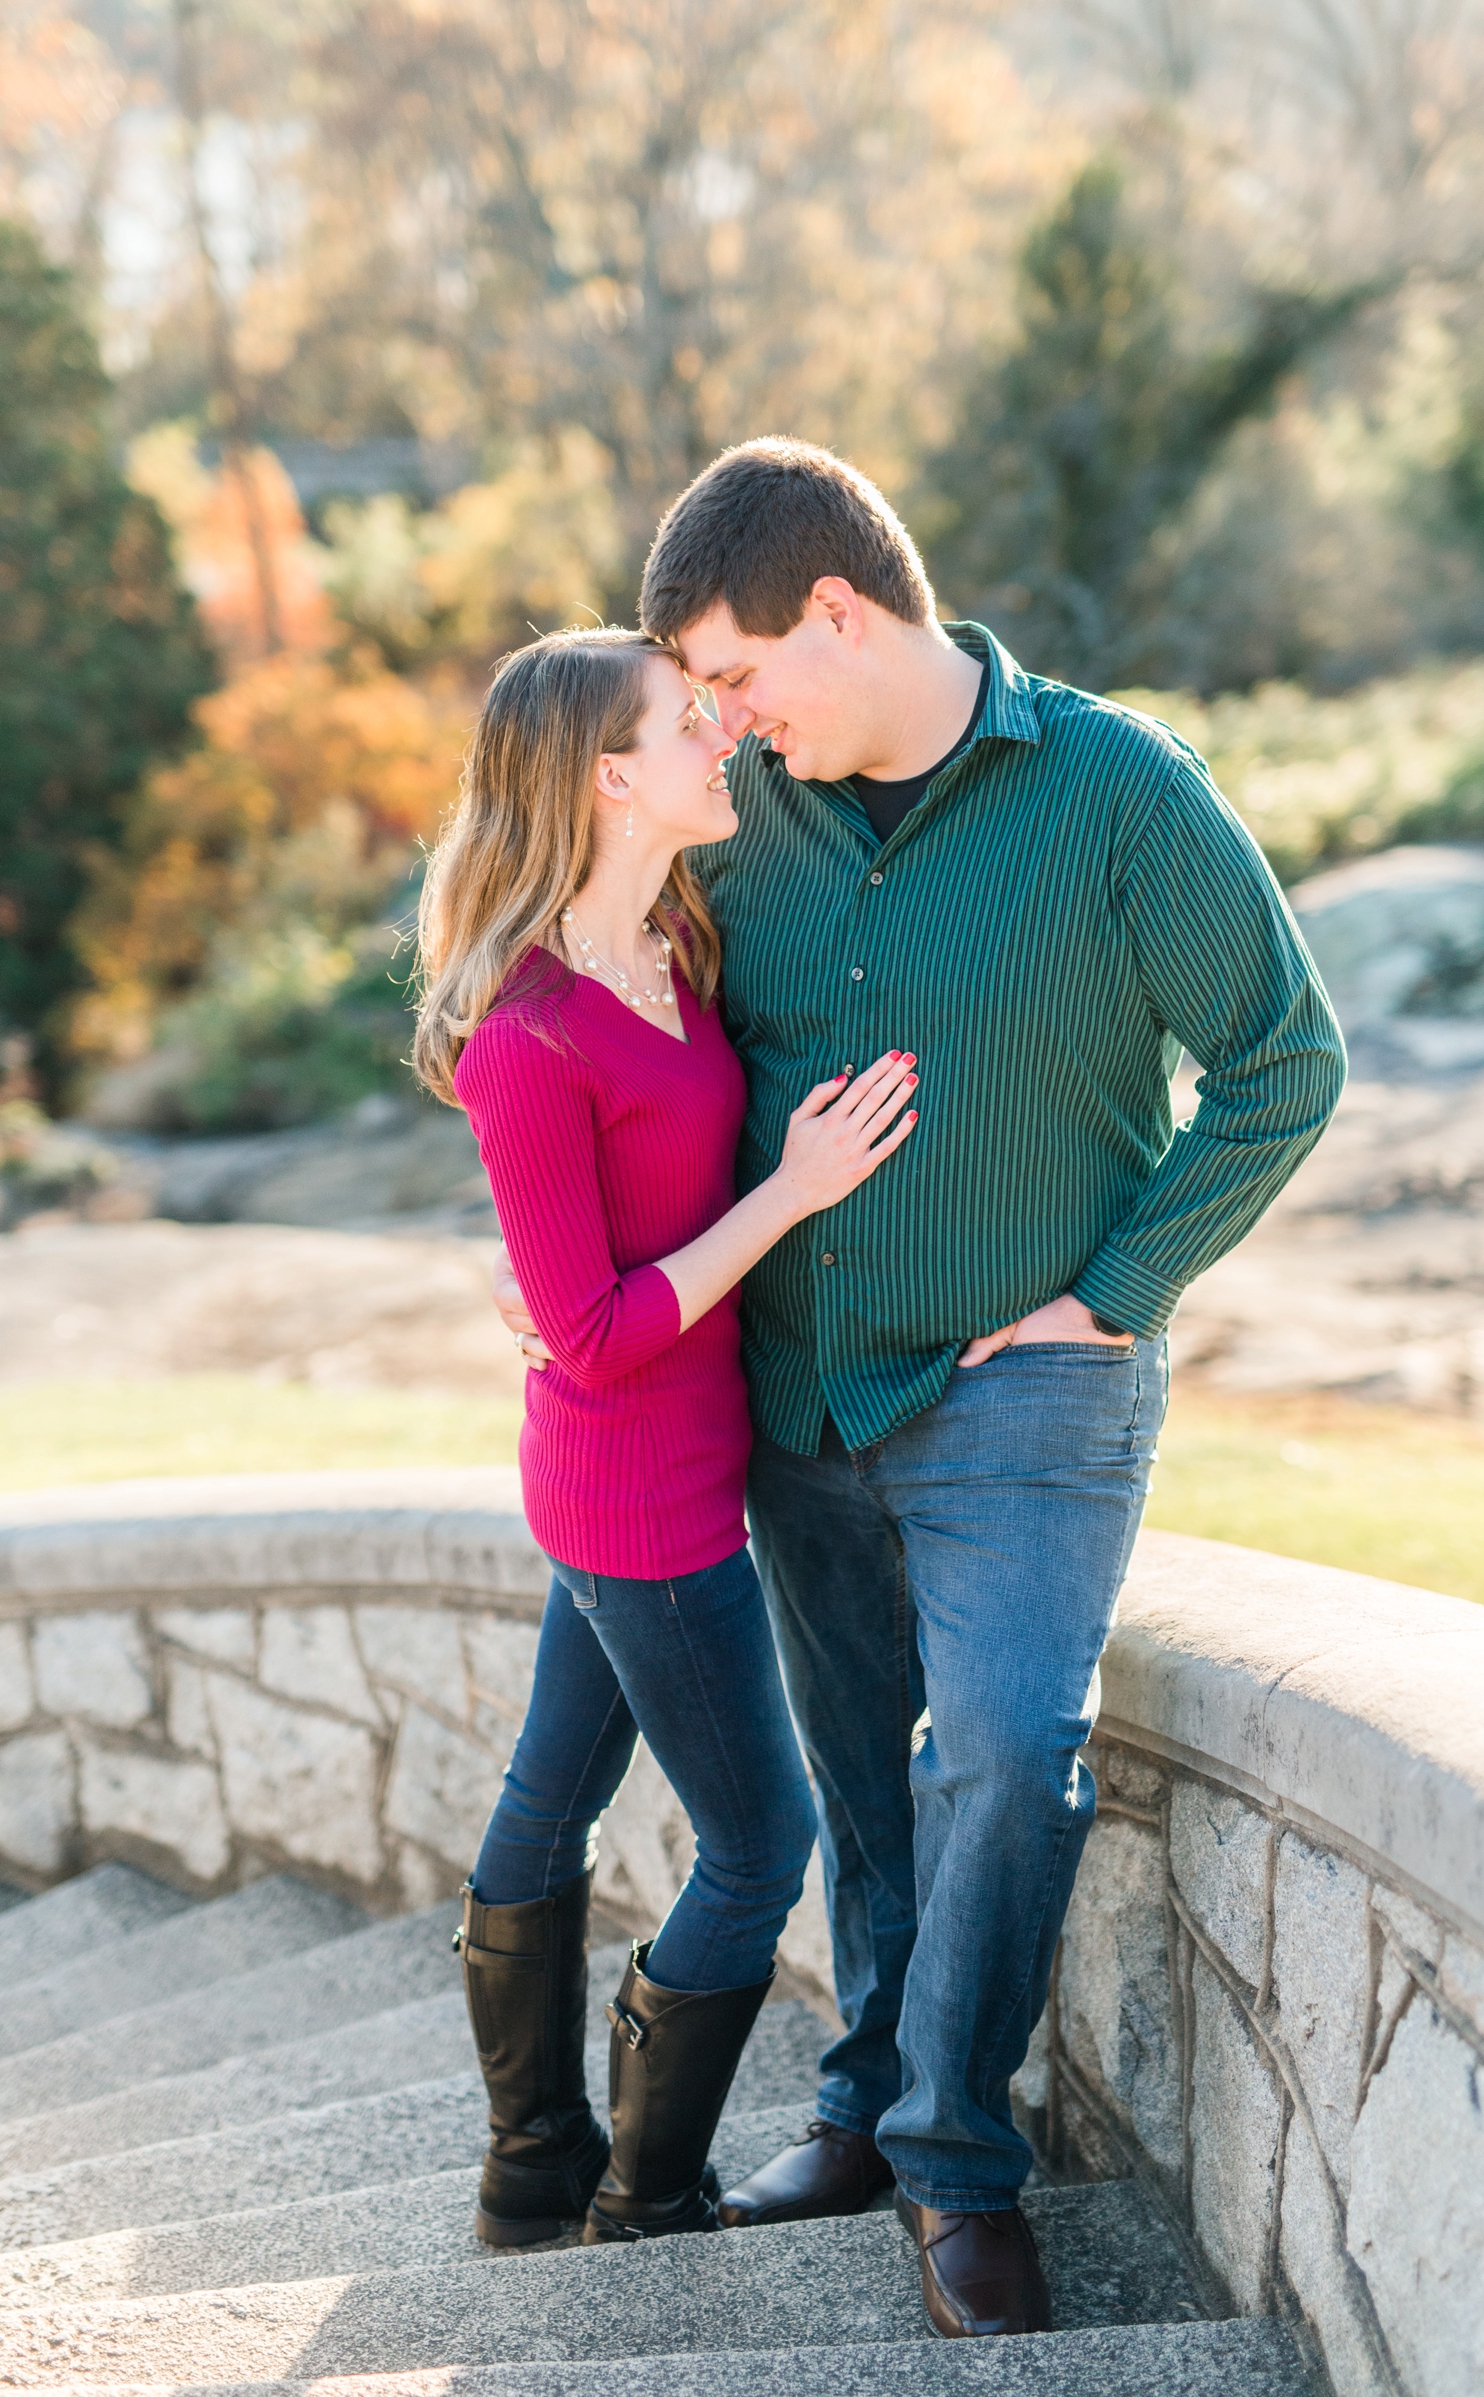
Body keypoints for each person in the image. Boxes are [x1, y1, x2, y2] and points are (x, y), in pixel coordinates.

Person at [494, 439, 1347, 2338]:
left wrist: (1116, 1289)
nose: (722, 720)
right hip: (796, 1400)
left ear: (839, 611)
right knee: (861, 1785)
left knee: (1008, 1750)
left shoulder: (1119, 794)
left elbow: (1286, 1061)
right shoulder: (749, 821)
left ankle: (959, 2161)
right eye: (695, 702)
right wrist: (556, 1254)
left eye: (735, 677)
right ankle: (865, 2108)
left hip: (1030, 1392)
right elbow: (603, 1025)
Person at [413, 626, 918, 2248]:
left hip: (656, 1471)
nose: (722, 738)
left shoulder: (675, 945)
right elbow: (600, 1332)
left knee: (547, 1799)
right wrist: (796, 1190)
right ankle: (645, 2192)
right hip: (645, 1502)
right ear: (607, 775)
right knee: (763, 1846)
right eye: (684, 721)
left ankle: (530, 2167)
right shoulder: (528, 1035)